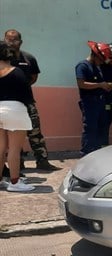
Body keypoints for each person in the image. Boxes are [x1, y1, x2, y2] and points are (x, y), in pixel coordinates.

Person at [4, 29, 61, 171]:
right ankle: (18, 163)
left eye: (14, 39)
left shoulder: (29, 58)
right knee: (13, 133)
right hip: (8, 102)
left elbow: (34, 77)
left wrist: (23, 85)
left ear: (20, 42)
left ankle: (42, 160)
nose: (11, 42)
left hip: (27, 100)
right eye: (8, 39)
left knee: (35, 131)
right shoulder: (3, 60)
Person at [0, 41, 35, 192]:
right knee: (14, 148)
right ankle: (14, 182)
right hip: (14, 109)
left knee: (0, 148)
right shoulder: (16, 71)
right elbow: (27, 95)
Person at [76, 41, 112, 156]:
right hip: (89, 102)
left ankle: (97, 154)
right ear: (95, 55)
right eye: (101, 59)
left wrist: (106, 86)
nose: (101, 62)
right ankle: (86, 153)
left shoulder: (97, 68)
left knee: (101, 128)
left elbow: (99, 84)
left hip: (100, 102)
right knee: (90, 129)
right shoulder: (82, 66)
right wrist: (100, 85)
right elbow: (81, 84)